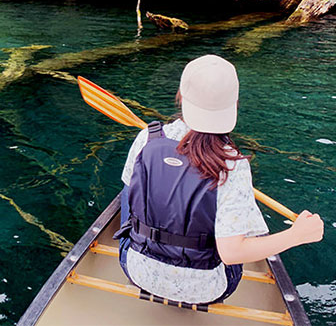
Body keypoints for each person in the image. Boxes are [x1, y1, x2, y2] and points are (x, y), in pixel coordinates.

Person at [114, 54, 324, 304]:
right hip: (206, 290)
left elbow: (130, 200)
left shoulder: (146, 138)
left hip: (135, 270)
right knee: (234, 235)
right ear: (234, 104)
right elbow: (232, 253)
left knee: (130, 190)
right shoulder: (233, 165)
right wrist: (296, 235)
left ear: (181, 94)